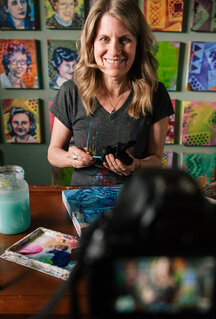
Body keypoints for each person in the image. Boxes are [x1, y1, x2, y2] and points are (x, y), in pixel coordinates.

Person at [48, 0, 174, 187]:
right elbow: (53, 153)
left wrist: (136, 165)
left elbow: (156, 160)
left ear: (138, 45)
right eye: (104, 38)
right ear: (92, 43)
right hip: (83, 202)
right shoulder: (71, 91)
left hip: (135, 202)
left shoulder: (155, 93)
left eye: (125, 39)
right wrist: (72, 157)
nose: (114, 50)